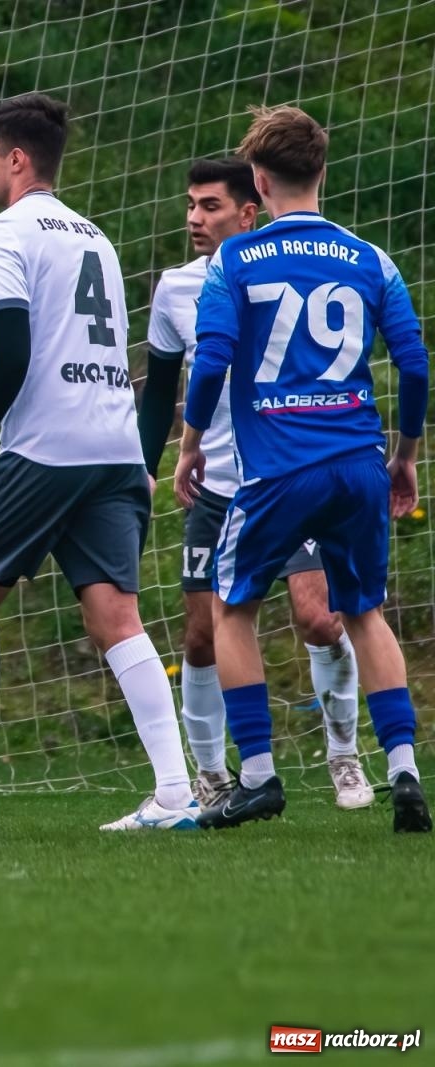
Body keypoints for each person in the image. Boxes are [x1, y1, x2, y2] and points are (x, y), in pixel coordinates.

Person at [0, 93, 197, 832]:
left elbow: (13, 351)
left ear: (17, 160)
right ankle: (175, 792)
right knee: (118, 614)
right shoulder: (96, 236)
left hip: (46, 445)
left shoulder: (0, 235)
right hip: (114, 443)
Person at [175, 106, 431, 833]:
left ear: (258, 179)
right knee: (363, 610)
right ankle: (405, 770)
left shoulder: (234, 260)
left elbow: (214, 360)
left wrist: (191, 443)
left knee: (232, 604)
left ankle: (257, 775)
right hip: (357, 464)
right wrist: (404, 455)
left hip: (279, 468)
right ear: (321, 173)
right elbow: (413, 364)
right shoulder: (370, 258)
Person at [138, 157, 369, 811]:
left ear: (249, 210)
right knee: (202, 634)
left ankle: (344, 753)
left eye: (209, 206)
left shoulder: (289, 268)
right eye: (190, 205)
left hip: (288, 476)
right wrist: (142, 463)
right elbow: (161, 394)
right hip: (215, 489)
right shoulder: (176, 289)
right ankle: (212, 775)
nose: (193, 218)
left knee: (319, 618)